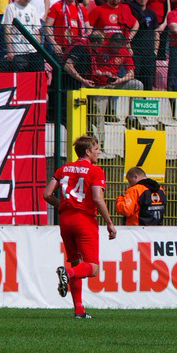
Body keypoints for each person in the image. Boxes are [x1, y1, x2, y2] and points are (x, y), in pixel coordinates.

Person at [44, 134, 117, 320]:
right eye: (96, 148)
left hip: (65, 220)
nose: (98, 151)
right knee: (91, 268)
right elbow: (97, 198)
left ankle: (79, 311)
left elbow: (46, 194)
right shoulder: (95, 171)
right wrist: (109, 223)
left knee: (76, 262)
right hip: (84, 220)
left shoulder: (62, 170)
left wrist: (61, 205)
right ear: (87, 152)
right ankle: (67, 273)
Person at [1, 0, 42, 71]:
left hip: (32, 50)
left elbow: (36, 30)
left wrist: (38, 48)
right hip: (18, 50)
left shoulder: (33, 9)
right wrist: (10, 49)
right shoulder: (11, 8)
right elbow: (7, 30)